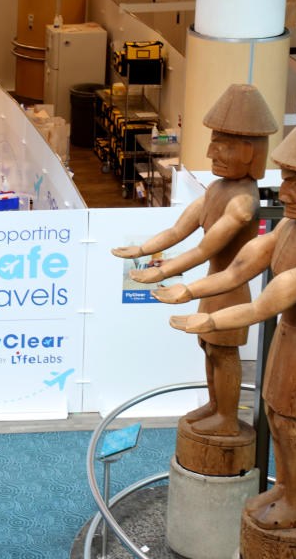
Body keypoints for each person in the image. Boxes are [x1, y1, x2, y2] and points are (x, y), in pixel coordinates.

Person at [155, 91, 296, 530]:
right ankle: (285, 489)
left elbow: (267, 303)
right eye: (286, 179)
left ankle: (294, 498)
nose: (283, 190)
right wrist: (188, 290)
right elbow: (236, 272)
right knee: (273, 413)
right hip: (289, 337)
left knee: (292, 421)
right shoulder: (287, 227)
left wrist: (207, 317)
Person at [111, 84, 277, 437]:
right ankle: (216, 406)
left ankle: (227, 416)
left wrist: (163, 273)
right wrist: (140, 252)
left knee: (224, 350)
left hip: (229, 288)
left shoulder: (243, 202)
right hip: (212, 285)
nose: (211, 151)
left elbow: (203, 250)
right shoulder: (217, 190)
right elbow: (176, 232)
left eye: (222, 145)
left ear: (249, 151)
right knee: (209, 346)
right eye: (213, 142)